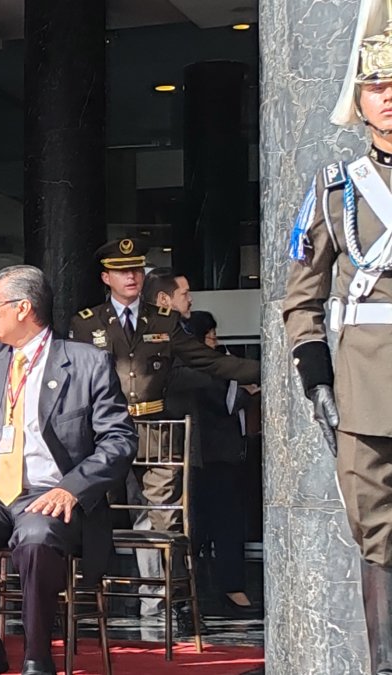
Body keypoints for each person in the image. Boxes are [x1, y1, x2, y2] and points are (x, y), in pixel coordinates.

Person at [0, 265, 137, 675]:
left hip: (52, 495)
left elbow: (119, 440)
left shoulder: (86, 362)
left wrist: (73, 487)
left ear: (23, 308)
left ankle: (37, 657)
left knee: (37, 535)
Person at [68, 238, 259, 620]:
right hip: (106, 431)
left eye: (136, 269)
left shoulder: (162, 320)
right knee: (94, 511)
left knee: (163, 519)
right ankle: (91, 600)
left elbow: (209, 362)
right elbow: (74, 379)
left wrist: (265, 369)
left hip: (155, 429)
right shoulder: (86, 323)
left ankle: (160, 605)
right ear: (106, 277)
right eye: (122, 271)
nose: (131, 276)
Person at [284, 10, 392, 672]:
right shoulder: (335, 188)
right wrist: (317, 380)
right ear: (358, 99)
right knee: (378, 535)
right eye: (376, 84)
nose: (389, 94)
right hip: (363, 389)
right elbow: (302, 298)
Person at [165, 311, 259, 615]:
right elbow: (226, 401)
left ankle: (222, 588)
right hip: (211, 457)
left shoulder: (217, 362)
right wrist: (245, 391)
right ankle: (219, 590)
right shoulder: (196, 371)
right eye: (210, 336)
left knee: (223, 523)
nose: (215, 341)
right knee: (215, 525)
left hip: (228, 455)